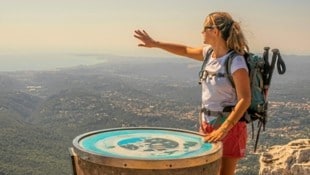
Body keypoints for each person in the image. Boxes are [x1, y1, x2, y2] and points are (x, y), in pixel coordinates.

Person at [134, 11, 251, 175]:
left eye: (204, 28)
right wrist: (156, 43)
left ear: (215, 31)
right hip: (208, 124)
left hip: (229, 127)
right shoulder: (209, 54)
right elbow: (185, 50)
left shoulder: (236, 61)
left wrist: (223, 129)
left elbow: (245, 99)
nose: (201, 32)